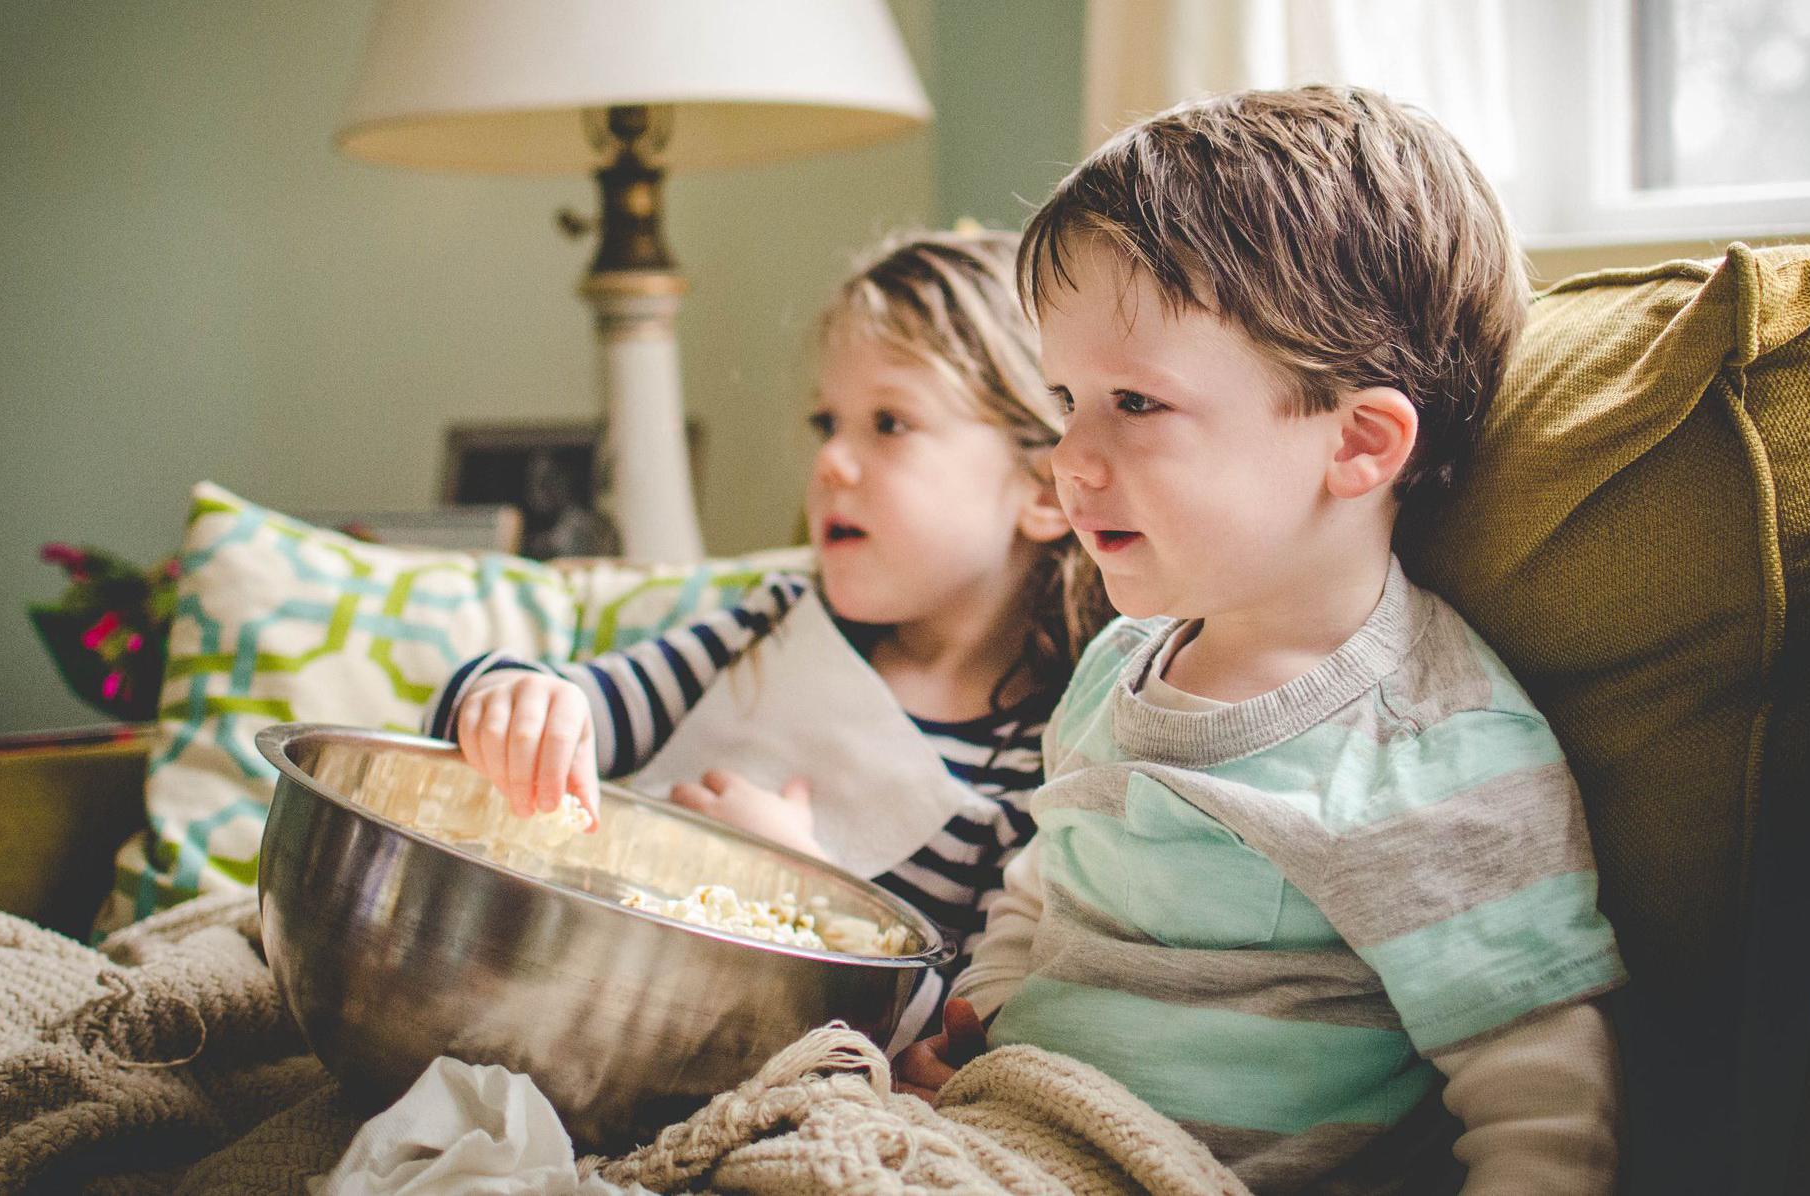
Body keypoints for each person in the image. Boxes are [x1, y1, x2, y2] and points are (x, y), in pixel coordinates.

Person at [896, 88, 1630, 1194]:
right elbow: (1044, 886)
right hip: (1013, 1129)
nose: (1071, 457)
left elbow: (1540, 1091)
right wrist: (982, 1016)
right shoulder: (1120, 661)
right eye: (1068, 399)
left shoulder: (1433, 749)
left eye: (1137, 402)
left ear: (1359, 441)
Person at [426, 230, 1113, 1046]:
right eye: (829, 421)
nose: (829, 462)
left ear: (1042, 489)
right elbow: (577, 706)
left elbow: (948, 1041)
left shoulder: (1039, 765)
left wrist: (804, 892)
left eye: (888, 423)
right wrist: (517, 700)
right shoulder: (773, 627)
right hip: (556, 991)